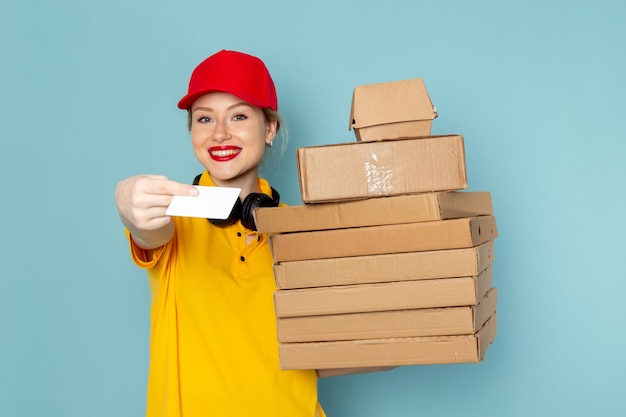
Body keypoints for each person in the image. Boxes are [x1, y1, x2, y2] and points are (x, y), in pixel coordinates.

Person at [115, 50, 326, 416]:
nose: (220, 133)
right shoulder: (171, 216)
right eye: (204, 119)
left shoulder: (302, 232)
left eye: (239, 116)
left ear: (270, 128)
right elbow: (148, 232)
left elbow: (330, 349)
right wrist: (128, 200)